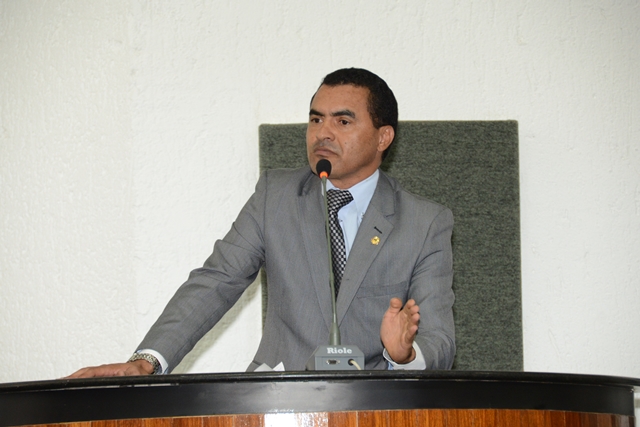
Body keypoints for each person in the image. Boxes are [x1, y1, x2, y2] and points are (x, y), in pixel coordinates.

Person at [68, 68, 455, 378]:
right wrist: (147, 361)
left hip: (375, 407)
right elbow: (217, 281)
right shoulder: (276, 196)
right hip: (276, 402)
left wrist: (404, 355)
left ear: (383, 137)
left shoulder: (424, 223)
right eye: (316, 119)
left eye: (342, 121)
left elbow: (440, 339)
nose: (322, 133)